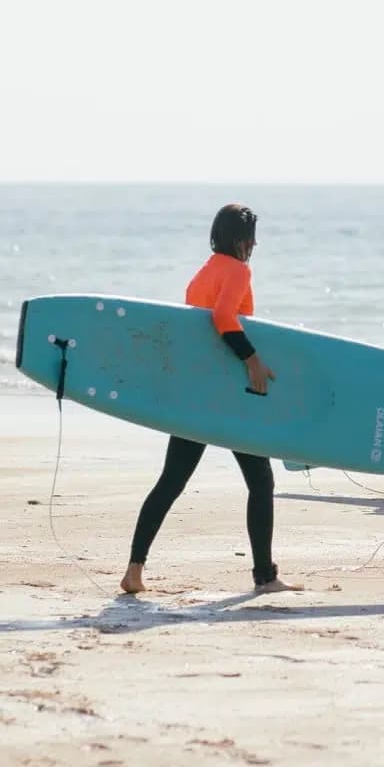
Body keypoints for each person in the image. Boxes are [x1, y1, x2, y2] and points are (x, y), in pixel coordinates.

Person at [120, 204, 300, 594]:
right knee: (261, 481)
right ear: (241, 239)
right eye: (252, 235)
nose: (255, 243)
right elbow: (223, 317)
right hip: (228, 400)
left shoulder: (204, 272)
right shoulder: (237, 270)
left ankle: (134, 571)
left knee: (170, 482)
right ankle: (265, 577)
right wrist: (251, 359)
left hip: (195, 396)